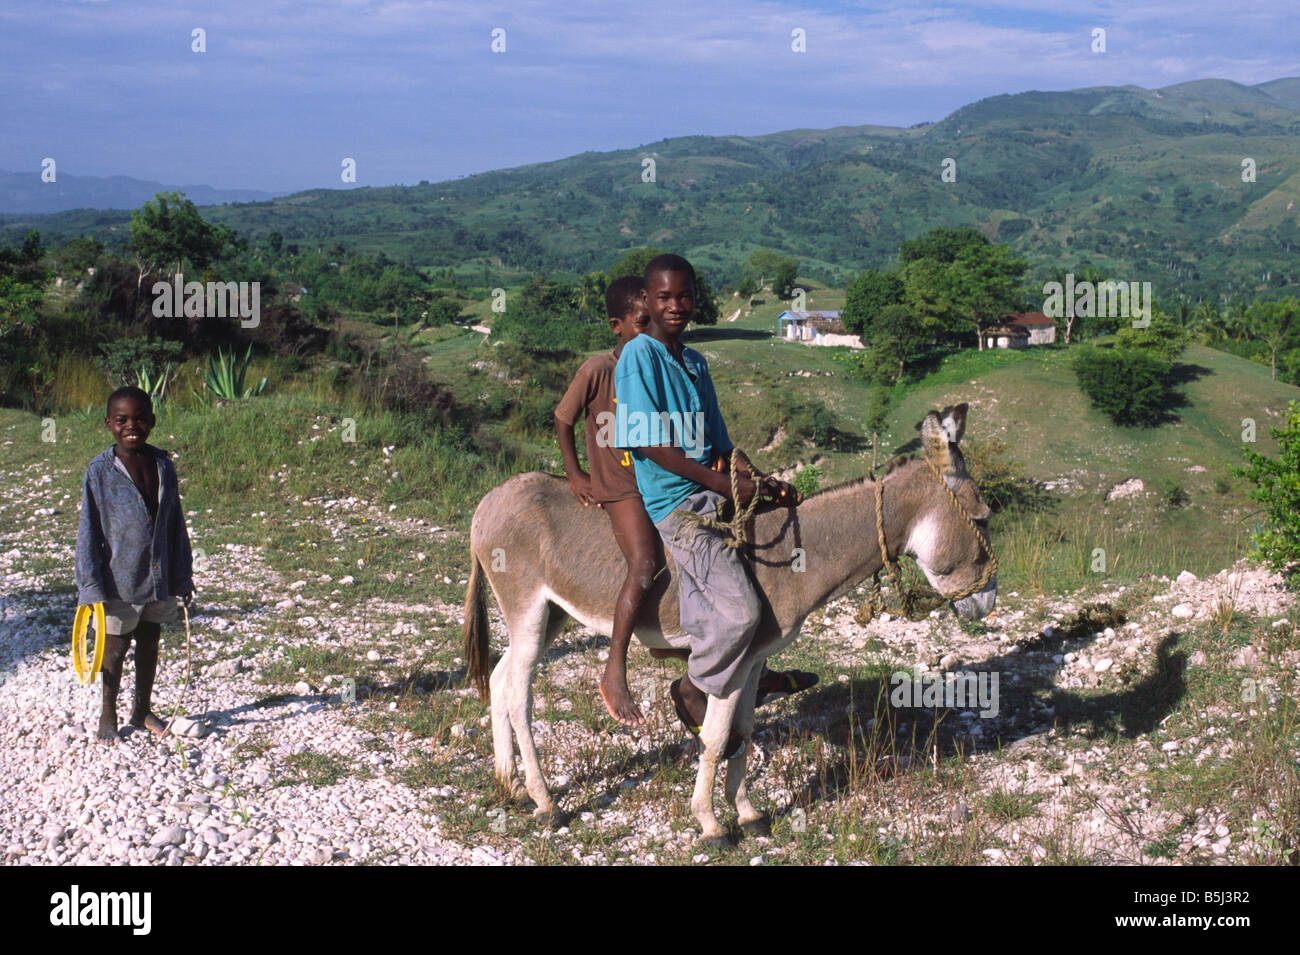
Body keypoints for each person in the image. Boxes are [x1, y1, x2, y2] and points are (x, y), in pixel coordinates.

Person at [615, 254, 807, 754]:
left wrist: (763, 485)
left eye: (684, 296)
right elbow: (652, 446)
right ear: (649, 302)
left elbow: (721, 447)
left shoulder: (696, 363)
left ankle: (750, 673)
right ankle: (693, 685)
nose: (675, 306)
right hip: (677, 505)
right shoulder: (640, 355)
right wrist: (724, 489)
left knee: (784, 560)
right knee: (741, 613)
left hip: (709, 489)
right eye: (664, 298)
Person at [555, 276, 659, 726]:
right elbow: (563, 419)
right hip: (621, 486)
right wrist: (576, 473)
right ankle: (614, 669)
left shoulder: (655, 367)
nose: (649, 330)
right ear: (617, 326)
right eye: (641, 323)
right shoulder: (599, 369)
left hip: (656, 479)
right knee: (643, 564)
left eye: (653, 322)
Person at [75, 386, 194, 742]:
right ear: (108, 423)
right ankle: (107, 712)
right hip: (118, 581)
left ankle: (142, 709)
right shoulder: (99, 472)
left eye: (140, 418)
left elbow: (175, 523)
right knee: (114, 647)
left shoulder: (163, 465)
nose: (132, 426)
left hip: (158, 577)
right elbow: (88, 531)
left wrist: (182, 576)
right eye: (122, 419)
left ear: (152, 422)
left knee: (150, 639)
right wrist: (90, 586)